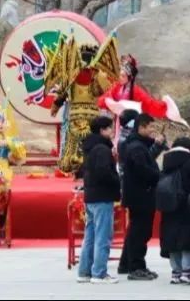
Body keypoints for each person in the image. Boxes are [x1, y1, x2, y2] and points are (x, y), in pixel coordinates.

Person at [119, 112, 165, 280]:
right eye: (150, 127)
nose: (153, 130)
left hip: (139, 194)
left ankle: (126, 264)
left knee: (135, 230)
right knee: (140, 232)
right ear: (141, 127)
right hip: (141, 195)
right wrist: (159, 176)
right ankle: (136, 267)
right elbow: (143, 171)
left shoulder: (138, 144)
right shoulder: (136, 147)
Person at [77, 115, 121, 284]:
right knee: (103, 236)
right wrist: (117, 180)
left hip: (91, 196)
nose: (112, 131)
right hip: (102, 196)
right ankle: (99, 273)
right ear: (102, 130)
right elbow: (103, 173)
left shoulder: (90, 147)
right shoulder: (102, 149)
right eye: (110, 128)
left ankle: (84, 271)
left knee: (90, 235)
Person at [158, 137, 190, 285]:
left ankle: (176, 272)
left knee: (172, 238)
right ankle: (187, 272)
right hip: (187, 205)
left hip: (169, 205)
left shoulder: (167, 161)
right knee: (187, 238)